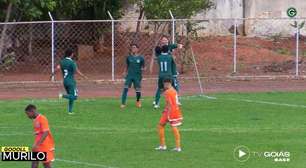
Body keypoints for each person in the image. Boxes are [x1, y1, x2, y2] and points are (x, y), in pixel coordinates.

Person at [53, 48, 87, 114]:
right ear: (71, 54)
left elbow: (57, 69)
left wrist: (52, 75)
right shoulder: (72, 62)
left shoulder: (62, 61)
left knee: (71, 96)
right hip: (71, 81)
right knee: (74, 96)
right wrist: (83, 76)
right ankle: (62, 95)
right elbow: (76, 71)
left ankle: (70, 111)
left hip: (65, 82)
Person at [153, 36, 182, 108]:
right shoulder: (170, 57)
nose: (165, 41)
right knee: (173, 88)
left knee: (160, 89)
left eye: (166, 40)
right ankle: (174, 102)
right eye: (163, 40)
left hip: (161, 75)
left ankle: (156, 103)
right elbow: (174, 61)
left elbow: (173, 46)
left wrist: (178, 45)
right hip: (169, 74)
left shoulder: (159, 57)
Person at [155, 78, 183, 152]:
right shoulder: (174, 90)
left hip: (170, 111)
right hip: (175, 110)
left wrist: (167, 111)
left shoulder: (167, 92)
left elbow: (169, 103)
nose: (164, 85)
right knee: (161, 125)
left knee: (172, 127)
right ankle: (175, 147)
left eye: (164, 84)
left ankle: (165, 146)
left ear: (167, 84)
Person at [121, 44, 145, 108]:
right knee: (125, 88)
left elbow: (143, 67)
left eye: (134, 48)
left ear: (137, 49)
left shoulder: (141, 58)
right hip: (129, 75)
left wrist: (143, 69)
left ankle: (138, 101)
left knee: (138, 90)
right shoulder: (128, 57)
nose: (133, 49)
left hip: (137, 76)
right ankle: (123, 103)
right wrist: (124, 72)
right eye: (132, 48)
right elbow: (127, 66)